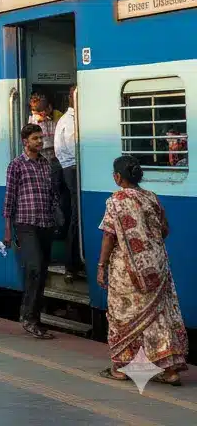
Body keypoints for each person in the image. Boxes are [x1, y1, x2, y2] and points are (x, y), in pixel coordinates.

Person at [96, 155, 188, 385]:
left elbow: (109, 235)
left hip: (127, 270)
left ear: (117, 177)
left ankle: (122, 367)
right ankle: (169, 370)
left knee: (123, 315)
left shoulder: (115, 201)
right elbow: (164, 229)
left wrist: (101, 266)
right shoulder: (151, 198)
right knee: (160, 315)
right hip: (157, 265)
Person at [4, 122, 58, 338]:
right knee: (34, 267)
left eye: (41, 138)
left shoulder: (46, 164)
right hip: (25, 223)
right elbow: (9, 197)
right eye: (36, 138)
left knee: (42, 271)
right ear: (25, 142)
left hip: (45, 223)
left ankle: (34, 316)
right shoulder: (16, 165)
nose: (40, 141)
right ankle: (29, 317)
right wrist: (8, 229)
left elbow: (52, 193)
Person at [53, 88, 83, 283]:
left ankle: (72, 263)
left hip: (68, 169)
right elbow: (75, 150)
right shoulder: (71, 122)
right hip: (73, 169)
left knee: (74, 215)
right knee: (76, 216)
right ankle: (72, 264)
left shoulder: (66, 119)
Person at [28, 93, 58, 162]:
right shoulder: (30, 124)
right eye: (39, 111)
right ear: (33, 111)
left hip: (52, 161)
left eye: (45, 109)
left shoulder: (52, 123)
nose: (43, 113)